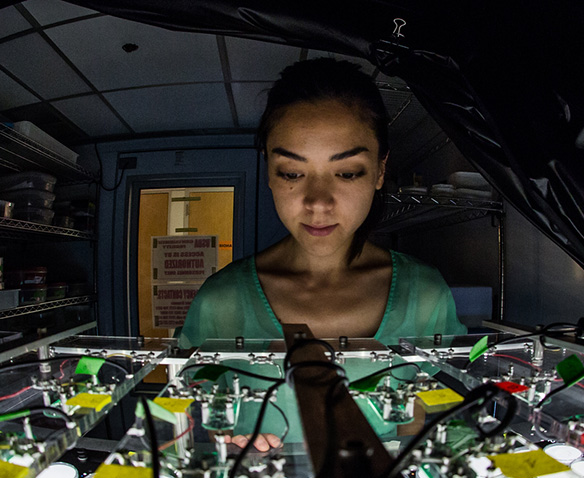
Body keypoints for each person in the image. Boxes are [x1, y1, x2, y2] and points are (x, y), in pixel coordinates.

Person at [179, 58, 466, 351]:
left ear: (380, 171)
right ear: (270, 172)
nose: (318, 204)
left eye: (347, 173)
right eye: (292, 173)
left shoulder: (426, 297)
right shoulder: (220, 303)